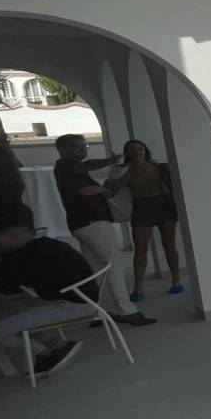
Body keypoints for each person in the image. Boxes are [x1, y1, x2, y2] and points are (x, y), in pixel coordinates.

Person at [52, 135, 155, 327]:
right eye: (77, 147)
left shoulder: (69, 170)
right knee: (113, 264)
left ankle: (96, 311)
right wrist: (110, 164)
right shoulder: (66, 167)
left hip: (81, 224)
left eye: (84, 146)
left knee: (97, 269)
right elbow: (87, 175)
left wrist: (111, 183)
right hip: (92, 223)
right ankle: (126, 310)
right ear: (63, 150)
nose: (83, 149)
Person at [0, 215, 94, 377]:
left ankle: (45, 352)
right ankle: (56, 345)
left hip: (72, 305)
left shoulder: (26, 256)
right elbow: (3, 283)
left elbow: (1, 288)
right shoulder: (41, 246)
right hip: (78, 298)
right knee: (15, 308)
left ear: (9, 236)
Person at [104, 139, 184, 302]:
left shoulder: (158, 166)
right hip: (141, 207)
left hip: (163, 205)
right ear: (127, 153)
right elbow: (111, 191)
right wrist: (126, 174)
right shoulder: (122, 170)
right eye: (132, 150)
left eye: (140, 149)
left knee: (169, 245)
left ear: (145, 150)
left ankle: (176, 281)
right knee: (140, 250)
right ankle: (138, 288)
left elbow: (176, 180)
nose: (137, 152)